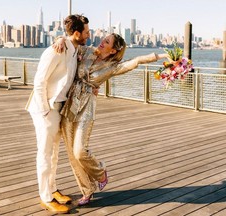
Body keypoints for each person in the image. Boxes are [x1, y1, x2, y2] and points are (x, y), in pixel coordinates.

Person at [54, 33, 169, 206]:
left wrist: (163, 56)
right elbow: (71, 43)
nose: (102, 42)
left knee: (80, 151)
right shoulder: (86, 51)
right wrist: (61, 39)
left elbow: (136, 61)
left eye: (106, 42)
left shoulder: (114, 67)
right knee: (72, 155)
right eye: (103, 39)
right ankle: (87, 190)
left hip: (87, 107)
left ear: (113, 49)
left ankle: (100, 172)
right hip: (70, 103)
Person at [25, 14, 90, 214]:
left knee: (54, 154)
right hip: (46, 109)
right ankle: (46, 197)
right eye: (86, 32)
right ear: (77, 33)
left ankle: (52, 189)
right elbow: (39, 81)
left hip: (60, 108)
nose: (89, 35)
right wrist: (45, 111)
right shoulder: (55, 51)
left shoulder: (73, 49)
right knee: (45, 154)